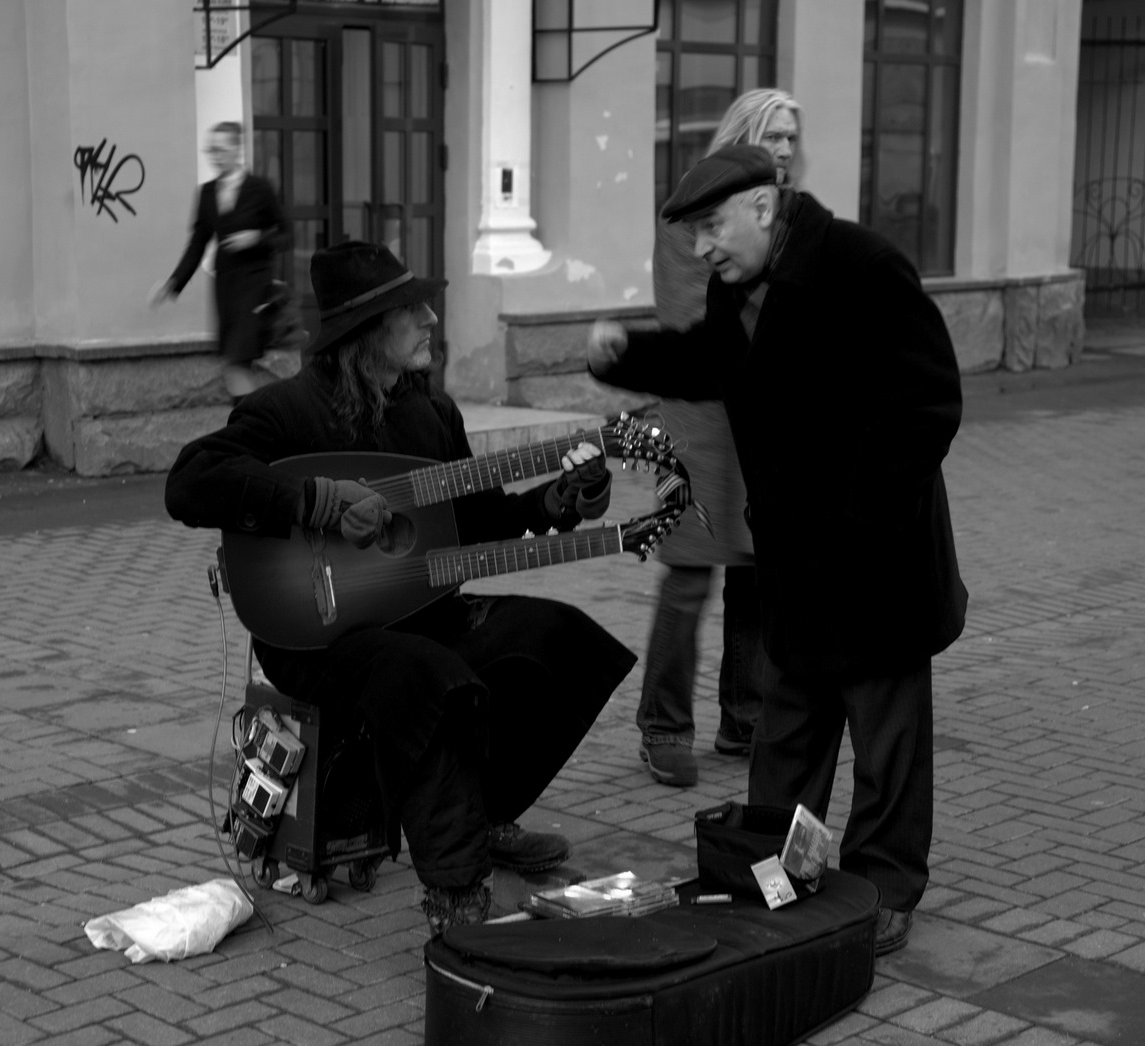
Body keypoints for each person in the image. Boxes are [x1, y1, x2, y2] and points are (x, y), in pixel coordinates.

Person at [167, 240, 636, 936]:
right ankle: (455, 892)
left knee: (560, 643)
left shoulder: (432, 414)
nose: (429, 319)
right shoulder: (286, 411)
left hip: (419, 610)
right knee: (429, 679)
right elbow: (191, 482)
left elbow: (480, 520)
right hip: (314, 634)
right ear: (365, 332)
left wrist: (562, 496)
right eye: (409, 309)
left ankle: (479, 818)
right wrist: (318, 501)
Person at [587, 145, 967, 956]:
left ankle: (884, 887)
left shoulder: (862, 267)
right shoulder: (736, 291)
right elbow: (711, 361)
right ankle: (769, 870)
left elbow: (929, 401)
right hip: (795, 562)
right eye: (692, 233)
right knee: (788, 731)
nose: (703, 249)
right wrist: (630, 354)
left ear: (764, 207)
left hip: (877, 562)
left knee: (886, 738)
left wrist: (863, 517)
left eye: (712, 226)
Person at [639, 88, 804, 788]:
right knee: (688, 576)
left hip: (765, 421)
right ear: (743, 135)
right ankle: (664, 727)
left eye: (795, 137)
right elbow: (689, 316)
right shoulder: (690, 211)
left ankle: (747, 718)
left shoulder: (787, 216)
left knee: (758, 576)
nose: (789, 149)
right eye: (776, 135)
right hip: (698, 422)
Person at [150, 121, 290, 400]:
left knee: (237, 366)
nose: (215, 155)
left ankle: (252, 428)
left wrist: (256, 239)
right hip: (225, 289)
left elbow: (286, 235)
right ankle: (260, 423)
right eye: (211, 149)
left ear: (237, 149)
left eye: (221, 149)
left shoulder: (260, 188)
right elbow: (197, 244)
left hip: (255, 288)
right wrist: (173, 283)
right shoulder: (206, 193)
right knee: (235, 366)